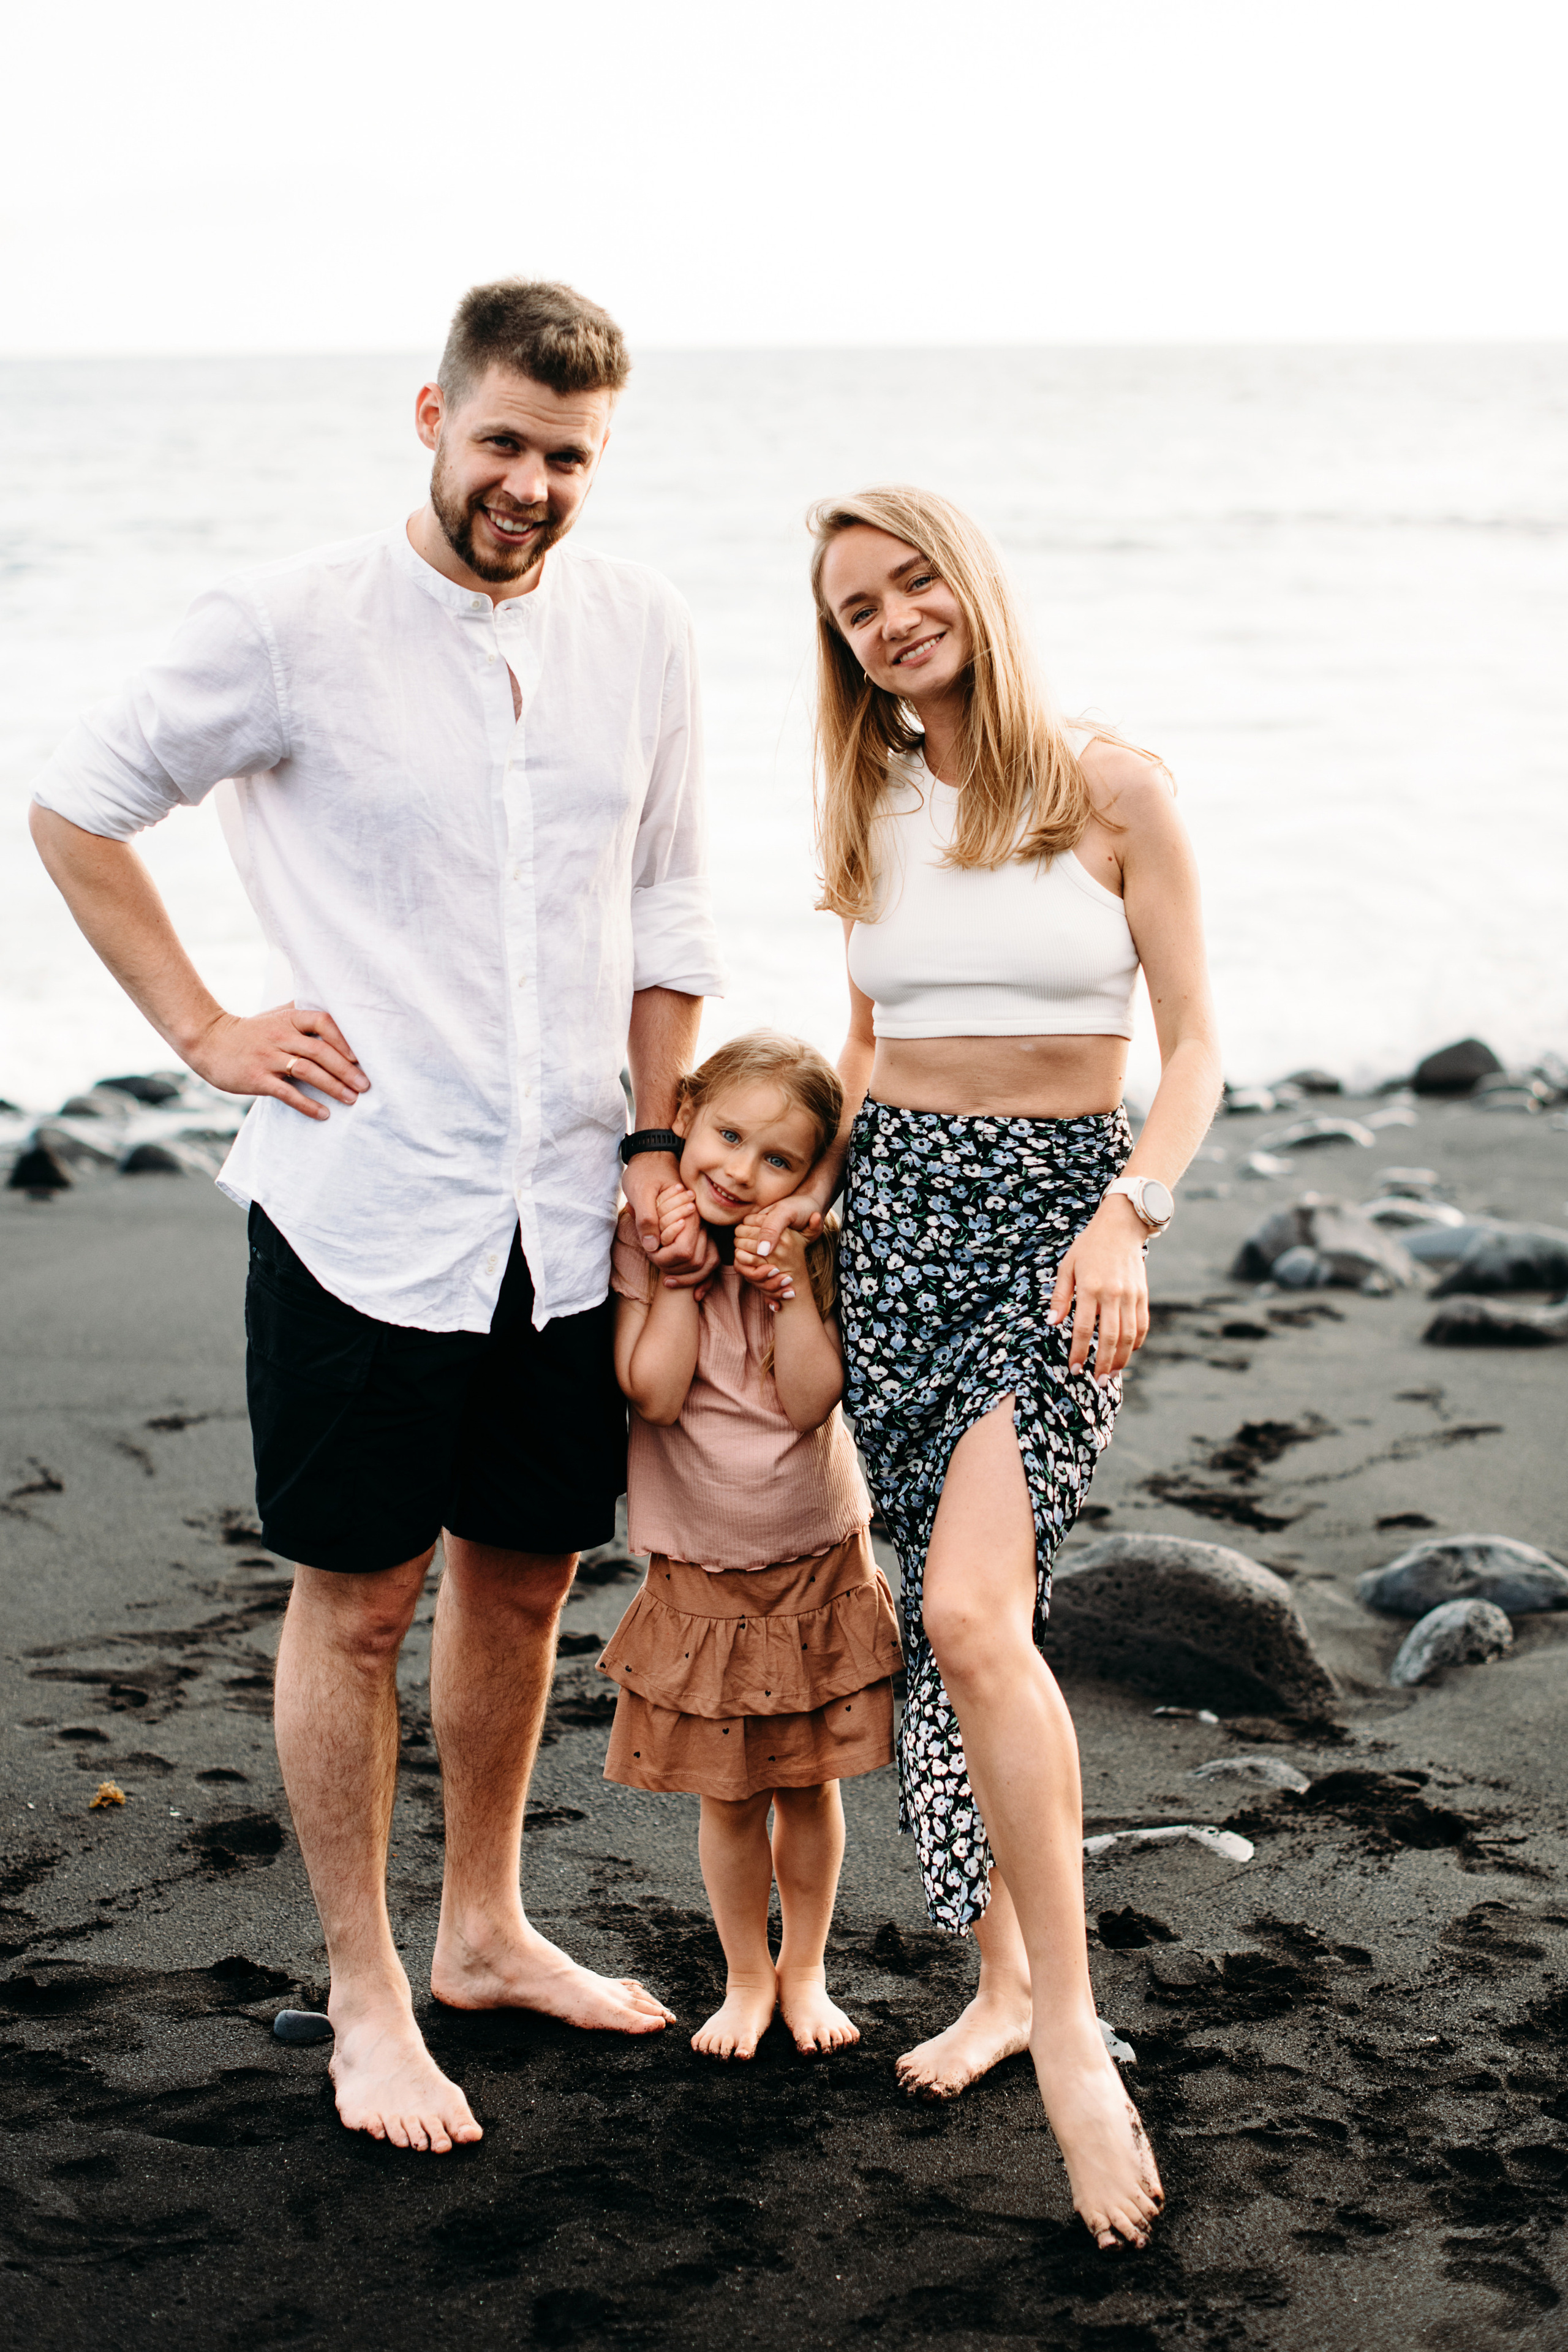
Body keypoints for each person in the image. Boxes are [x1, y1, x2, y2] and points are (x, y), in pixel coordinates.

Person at [28, 278, 728, 2155]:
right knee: (356, 1603)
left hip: (566, 1201)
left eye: (569, 455)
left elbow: (671, 907)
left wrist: (657, 1144)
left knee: (525, 1576)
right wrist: (203, 1030)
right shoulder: (286, 625)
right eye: (502, 440)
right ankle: (364, 1989)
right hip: (366, 1199)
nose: (530, 484)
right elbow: (78, 809)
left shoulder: (644, 629)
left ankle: (484, 1930)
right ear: (432, 416)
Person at [738, 486, 1222, 2248]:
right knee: (959, 1631)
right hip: (897, 1232)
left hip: (1058, 1233)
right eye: (855, 608)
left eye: (911, 581)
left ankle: (1073, 2035)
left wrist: (1127, 1217)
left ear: (972, 582)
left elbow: (1196, 1046)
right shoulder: (867, 799)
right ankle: (1004, 1982)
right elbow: (867, 1037)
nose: (890, 621)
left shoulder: (1112, 786)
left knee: (966, 1612)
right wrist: (814, 1192)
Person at [598, 1031, 902, 2061]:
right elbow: (652, 1392)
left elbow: (812, 1400)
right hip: (700, 1568)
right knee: (730, 1798)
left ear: (809, 1174)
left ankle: (805, 1969)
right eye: (727, 1136)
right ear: (684, 1113)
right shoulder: (643, 1237)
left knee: (809, 1784)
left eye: (778, 1159)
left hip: (816, 1556)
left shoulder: (809, 1247)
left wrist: (794, 1284)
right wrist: (681, 1279)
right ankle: (743, 1977)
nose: (741, 1171)